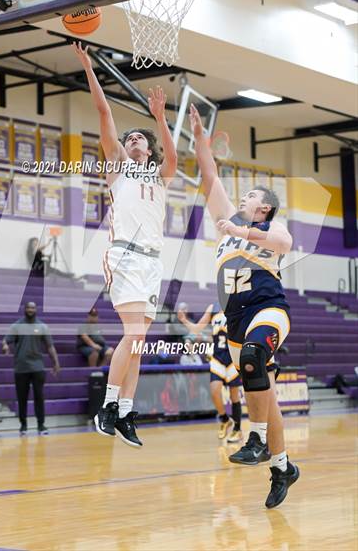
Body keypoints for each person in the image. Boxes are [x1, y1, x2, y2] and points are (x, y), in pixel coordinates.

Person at [190, 104, 299, 508]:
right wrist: (200, 137)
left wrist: (241, 230)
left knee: (254, 356)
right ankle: (283, 466)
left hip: (269, 310)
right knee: (265, 396)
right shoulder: (228, 221)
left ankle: (253, 440)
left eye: (251, 195)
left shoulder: (272, 228)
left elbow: (284, 245)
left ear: (265, 207)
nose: (243, 197)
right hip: (235, 321)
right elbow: (209, 174)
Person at [73, 42, 177, 448]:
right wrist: (87, 67)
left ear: (147, 149)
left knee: (139, 342)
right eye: (129, 137)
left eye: (139, 138)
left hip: (153, 263)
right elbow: (104, 114)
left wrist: (159, 119)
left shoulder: (161, 175)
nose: (132, 140)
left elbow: (171, 153)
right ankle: (108, 407)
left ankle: (127, 412)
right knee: (133, 335)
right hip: (125, 257)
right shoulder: (117, 168)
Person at [178, 303, 243, 442]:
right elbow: (197, 329)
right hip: (218, 357)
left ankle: (237, 429)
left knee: (234, 395)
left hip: (233, 356)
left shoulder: (238, 304)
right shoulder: (212, 307)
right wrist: (184, 320)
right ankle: (225, 419)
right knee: (214, 390)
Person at [2, 302, 61, 436]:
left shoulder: (42, 326)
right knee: (22, 398)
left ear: (36, 309)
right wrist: (5, 346)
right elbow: (6, 340)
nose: (30, 310)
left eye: (33, 308)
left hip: (37, 367)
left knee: (39, 397)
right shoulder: (17, 326)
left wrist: (56, 363)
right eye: (28, 307)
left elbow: (50, 346)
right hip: (21, 368)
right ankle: (23, 426)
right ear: (24, 309)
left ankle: (41, 425)